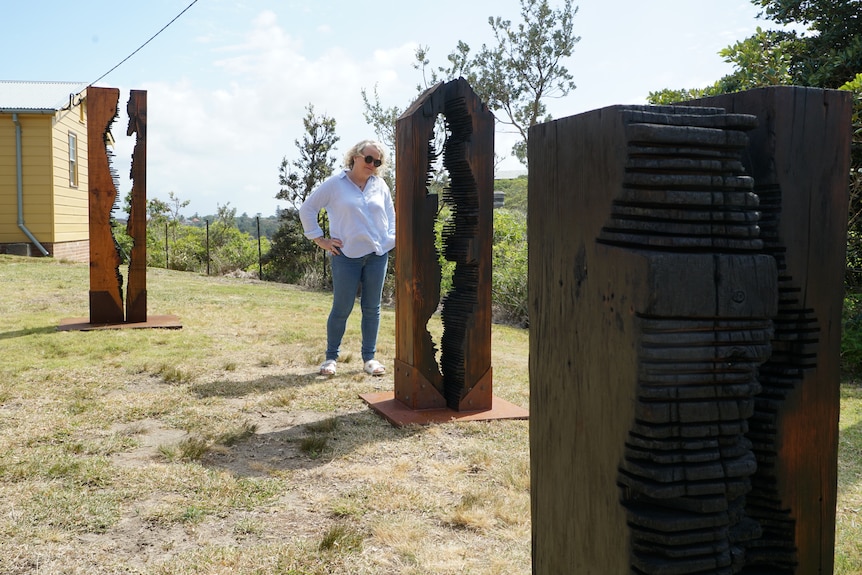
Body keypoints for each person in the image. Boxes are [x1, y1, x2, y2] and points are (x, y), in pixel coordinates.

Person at [298, 139, 395, 377]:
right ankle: (331, 358)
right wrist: (321, 240)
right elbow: (307, 209)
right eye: (368, 159)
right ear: (355, 157)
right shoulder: (335, 184)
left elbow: (391, 216)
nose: (372, 164)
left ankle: (369, 359)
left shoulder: (380, 185)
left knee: (372, 308)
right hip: (345, 256)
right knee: (341, 308)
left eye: (377, 161)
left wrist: (390, 240)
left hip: (377, 255)